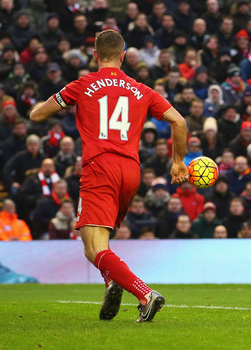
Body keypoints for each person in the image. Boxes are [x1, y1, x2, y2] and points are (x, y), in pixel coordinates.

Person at [29, 30, 188, 322]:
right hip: (131, 171)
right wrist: (178, 161)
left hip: (100, 167)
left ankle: (145, 294)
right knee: (102, 239)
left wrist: (43, 107)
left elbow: (37, 115)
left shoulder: (83, 84)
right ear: (124, 56)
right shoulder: (142, 89)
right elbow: (179, 121)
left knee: (93, 248)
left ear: (94, 55)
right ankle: (112, 281)